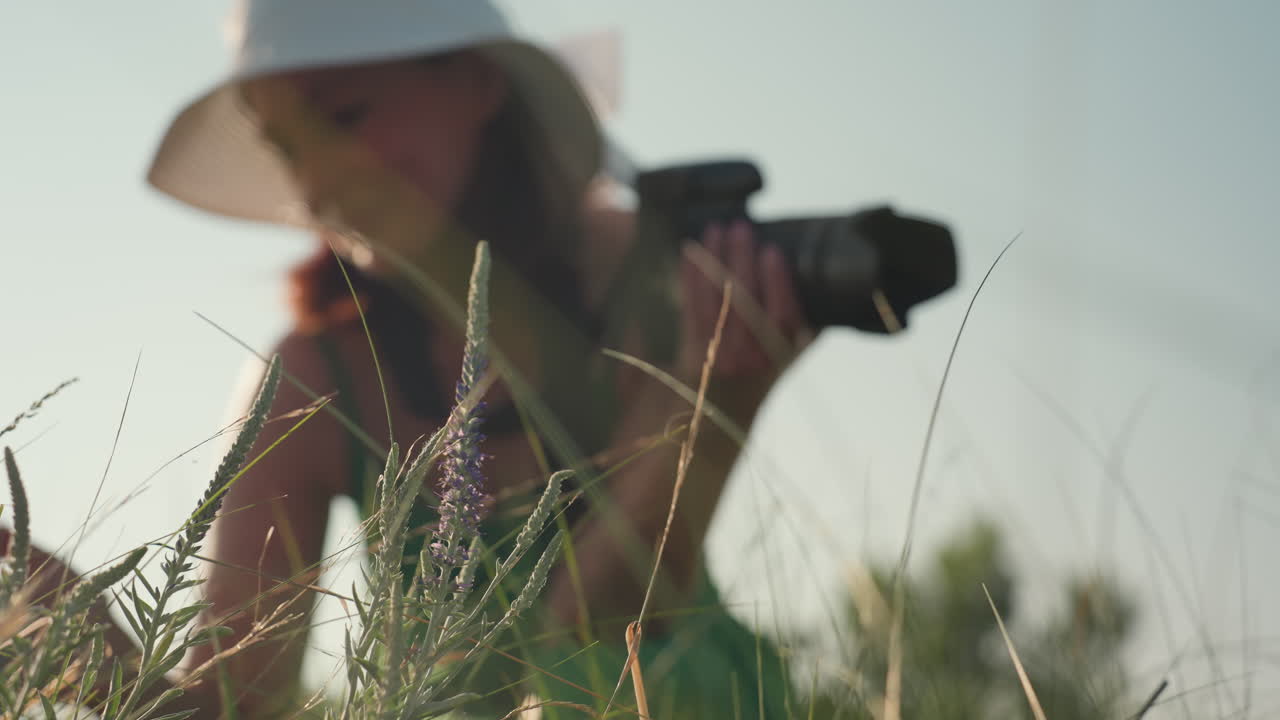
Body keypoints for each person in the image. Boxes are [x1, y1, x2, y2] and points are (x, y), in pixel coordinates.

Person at [18, 1, 815, 717]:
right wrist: (89, 649)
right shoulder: (313, 379)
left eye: (347, 115)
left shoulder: (651, 281)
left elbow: (608, 641)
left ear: (475, 84)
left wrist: (717, 412)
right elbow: (235, 708)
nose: (318, 182)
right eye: (288, 148)